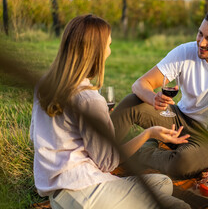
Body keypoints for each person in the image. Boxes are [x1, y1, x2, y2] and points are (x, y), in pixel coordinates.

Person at [30, 14, 191, 209]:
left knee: (162, 183)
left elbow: (36, 136)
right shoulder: (88, 99)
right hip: (86, 192)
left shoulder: (44, 85)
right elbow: (108, 163)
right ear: (95, 52)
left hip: (57, 194)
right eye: (108, 45)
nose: (109, 51)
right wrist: (149, 133)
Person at [111, 8, 208, 179]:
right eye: (200, 34)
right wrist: (152, 98)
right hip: (178, 119)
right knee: (132, 102)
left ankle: (138, 152)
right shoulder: (184, 52)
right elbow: (140, 84)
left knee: (182, 163)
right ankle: (99, 151)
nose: (201, 43)